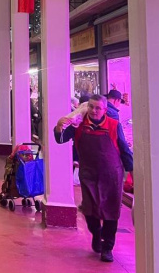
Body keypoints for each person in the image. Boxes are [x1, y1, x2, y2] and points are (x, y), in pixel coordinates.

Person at [54, 94, 133, 262]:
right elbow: (60, 140)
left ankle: (108, 248)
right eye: (91, 107)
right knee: (90, 211)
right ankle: (96, 234)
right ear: (86, 107)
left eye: (98, 108)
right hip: (89, 174)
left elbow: (124, 150)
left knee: (111, 212)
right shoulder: (79, 125)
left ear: (105, 110)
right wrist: (58, 127)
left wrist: (133, 173)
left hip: (112, 176)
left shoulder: (114, 125)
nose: (94, 111)